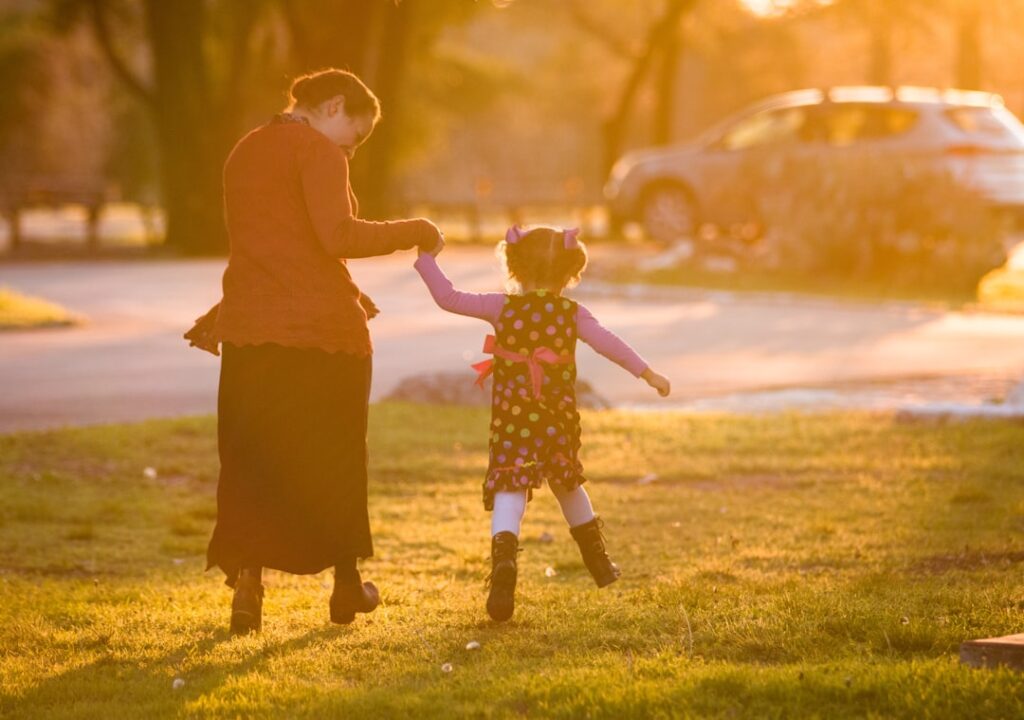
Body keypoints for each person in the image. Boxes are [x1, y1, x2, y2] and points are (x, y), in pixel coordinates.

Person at [185, 68, 442, 635]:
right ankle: (346, 586)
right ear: (331, 107)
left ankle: (248, 587)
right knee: (335, 459)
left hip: (250, 333)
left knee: (254, 458)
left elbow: (275, 243)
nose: (357, 142)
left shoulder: (244, 152)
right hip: (324, 339)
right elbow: (338, 237)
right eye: (357, 129)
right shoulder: (320, 153)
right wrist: (417, 229)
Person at [413, 225, 671, 621]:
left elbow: (448, 298)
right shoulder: (572, 314)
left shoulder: (501, 307)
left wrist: (426, 258)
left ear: (513, 268)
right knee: (567, 484)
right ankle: (598, 561)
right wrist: (648, 374)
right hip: (556, 418)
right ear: (569, 274)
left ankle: (504, 566)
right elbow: (611, 344)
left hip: (513, 420)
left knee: (509, 489)